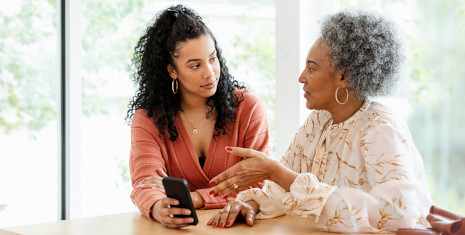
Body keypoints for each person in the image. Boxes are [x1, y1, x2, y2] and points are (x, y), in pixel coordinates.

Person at [207, 9, 432, 233]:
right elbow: (283, 188)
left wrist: (274, 171)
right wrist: (251, 204)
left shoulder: (380, 129)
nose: (301, 77)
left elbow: (397, 215)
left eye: (312, 68)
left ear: (343, 77)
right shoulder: (319, 121)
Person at [126, 5, 271, 229]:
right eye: (195, 65)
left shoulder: (248, 108)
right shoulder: (148, 118)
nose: (209, 72)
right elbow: (146, 183)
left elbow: (260, 185)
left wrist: (196, 198)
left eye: (213, 59)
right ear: (172, 71)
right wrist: (158, 207)